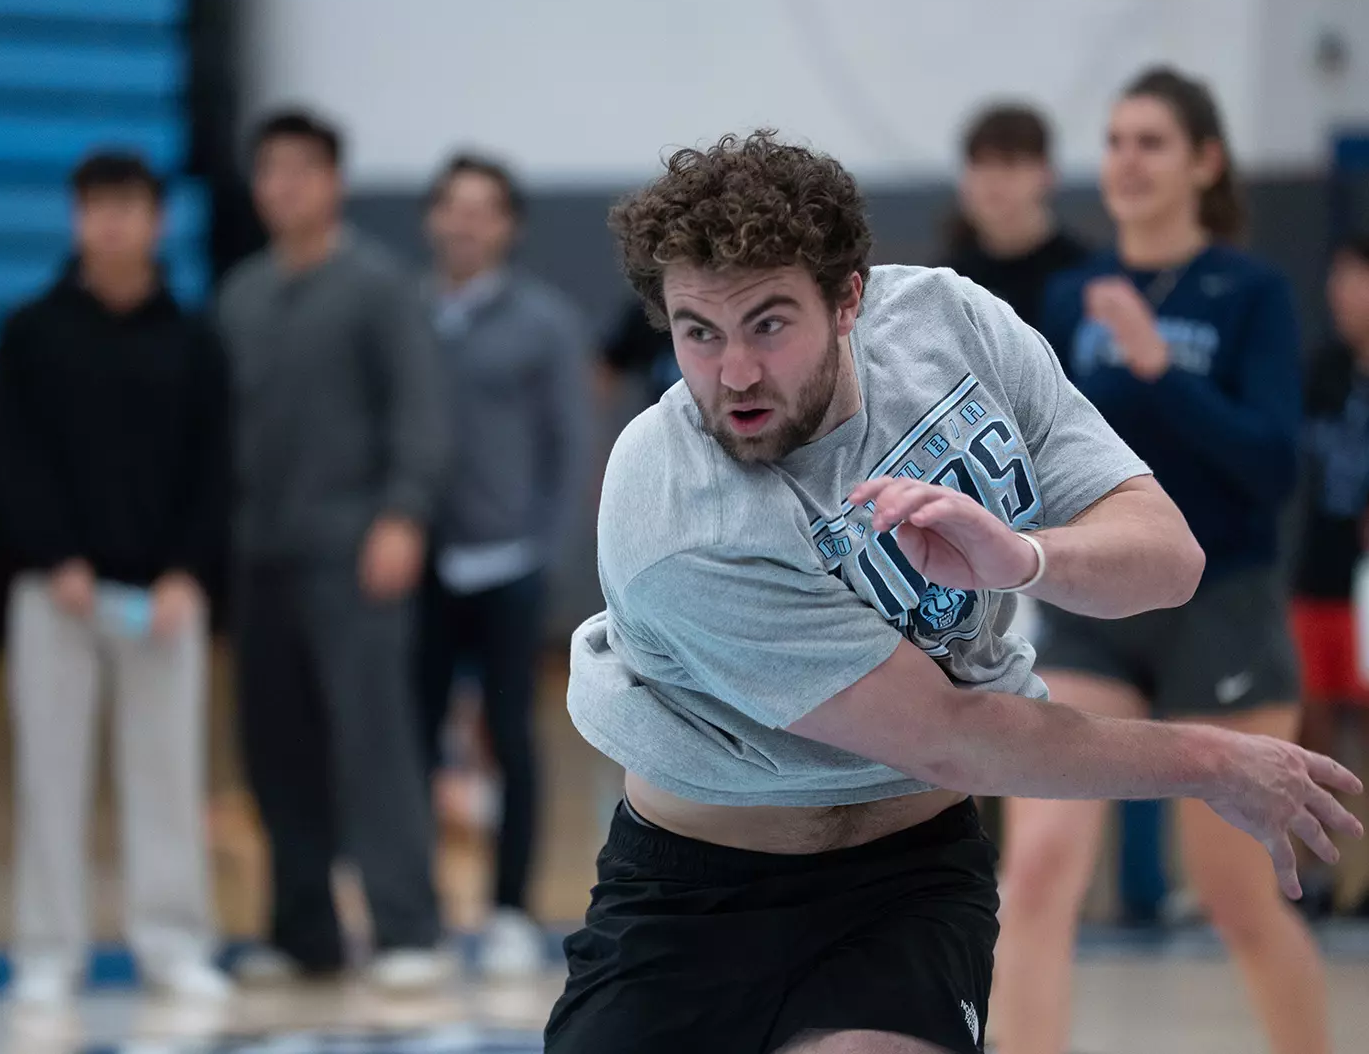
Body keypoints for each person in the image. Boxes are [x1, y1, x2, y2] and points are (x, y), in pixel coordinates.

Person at [543, 131, 1361, 1054]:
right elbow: (954, 735)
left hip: (908, 880)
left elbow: (1168, 558)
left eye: (769, 324)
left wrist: (1021, 557)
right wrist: (1213, 766)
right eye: (699, 333)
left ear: (848, 296)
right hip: (692, 896)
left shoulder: (948, 324)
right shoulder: (674, 508)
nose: (733, 373)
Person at [991, 67, 1322, 1054]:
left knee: (1237, 894)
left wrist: (1155, 368)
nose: (1126, 161)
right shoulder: (1071, 293)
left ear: (1203, 161)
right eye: (1116, 140)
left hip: (1220, 603)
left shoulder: (1250, 292)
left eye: (1151, 142)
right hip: (1094, 607)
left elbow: (1269, 464)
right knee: (1039, 872)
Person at [215, 111, 449, 990]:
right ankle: (302, 931)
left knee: (373, 744)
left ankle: (408, 929)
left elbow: (419, 410)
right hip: (258, 556)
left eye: (301, 170)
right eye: (269, 170)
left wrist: (402, 514)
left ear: (333, 182)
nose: (283, 186)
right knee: (275, 750)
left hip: (354, 551)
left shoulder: (378, 287)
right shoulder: (238, 295)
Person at [0, 151, 231, 1006]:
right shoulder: (30, 330)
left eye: (129, 206)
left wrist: (184, 572)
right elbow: (12, 457)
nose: (113, 222)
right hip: (52, 592)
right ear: (77, 218)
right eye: (97, 206)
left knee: (166, 771)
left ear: (156, 221)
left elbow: (214, 467)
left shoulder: (193, 336)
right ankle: (47, 950)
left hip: (165, 598)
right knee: (49, 771)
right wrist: (55, 556)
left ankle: (171, 945)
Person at [414, 153, 592, 975]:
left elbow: (568, 447)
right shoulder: (407, 314)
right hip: (421, 561)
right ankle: (412, 912)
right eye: (453, 207)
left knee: (511, 738)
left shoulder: (544, 322)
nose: (466, 222)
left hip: (509, 564)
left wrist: (545, 556)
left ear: (510, 224)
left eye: (483, 209)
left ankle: (512, 907)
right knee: (411, 739)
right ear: (431, 218)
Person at [1291, 233, 1369, 917]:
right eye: (1340, 282)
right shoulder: (1320, 371)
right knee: (1312, 730)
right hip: (1318, 576)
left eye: (1359, 282)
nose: (1347, 297)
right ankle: (1316, 878)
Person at [936, 103, 1089, 330]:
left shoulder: (1084, 279)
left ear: (1047, 175)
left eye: (1009, 164)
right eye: (980, 164)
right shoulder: (944, 283)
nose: (993, 180)